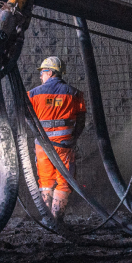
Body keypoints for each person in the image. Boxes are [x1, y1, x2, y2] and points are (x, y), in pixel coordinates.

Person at [27, 56, 86, 223]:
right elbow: (81, 121)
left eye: (43, 72)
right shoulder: (75, 93)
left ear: (51, 73)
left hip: (42, 147)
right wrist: (73, 139)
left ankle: (47, 220)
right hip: (64, 145)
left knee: (45, 181)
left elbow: (27, 117)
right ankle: (57, 219)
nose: (40, 76)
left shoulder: (32, 94)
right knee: (64, 181)